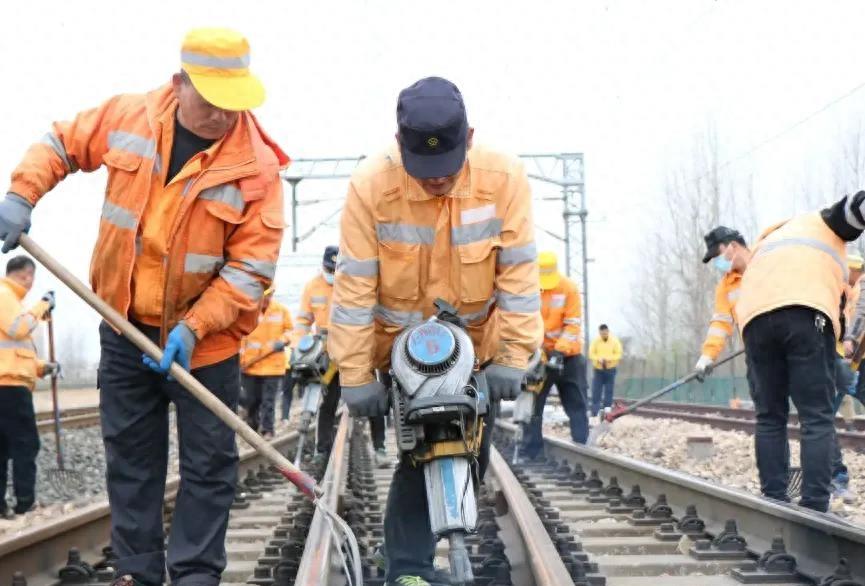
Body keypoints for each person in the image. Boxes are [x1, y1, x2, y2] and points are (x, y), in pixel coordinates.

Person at [1, 28, 287, 586]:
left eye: (234, 106)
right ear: (180, 84)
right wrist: (21, 194)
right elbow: (60, 142)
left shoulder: (257, 167)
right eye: (211, 103)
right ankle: (138, 573)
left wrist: (195, 328)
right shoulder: (129, 117)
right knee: (133, 459)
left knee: (209, 462)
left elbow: (251, 270)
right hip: (122, 325)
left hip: (206, 341)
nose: (223, 118)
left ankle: (196, 574)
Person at [328, 77, 541, 586]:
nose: (436, 182)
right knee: (417, 451)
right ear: (399, 145)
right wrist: (356, 375)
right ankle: (408, 569)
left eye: (446, 170)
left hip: (477, 349)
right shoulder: (370, 185)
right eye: (424, 173)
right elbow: (355, 288)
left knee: (470, 445)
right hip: (399, 352)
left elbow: (518, 277)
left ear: (468, 138)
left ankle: (428, 559)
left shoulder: (504, 179)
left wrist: (514, 356)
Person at [736, 193, 865, 513]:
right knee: (816, 417)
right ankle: (814, 507)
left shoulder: (766, 242)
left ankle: (773, 499)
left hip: (753, 321)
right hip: (806, 315)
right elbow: (857, 207)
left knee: (769, 417)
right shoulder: (824, 223)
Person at [291, 245, 388, 465]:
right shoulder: (312, 287)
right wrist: (300, 345)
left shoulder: (357, 284)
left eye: (336, 269)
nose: (332, 274)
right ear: (323, 266)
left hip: (357, 347)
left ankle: (380, 448)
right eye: (329, 269)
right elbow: (303, 321)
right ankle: (321, 450)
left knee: (372, 397)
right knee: (328, 402)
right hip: (327, 353)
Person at [0, 256, 59, 517]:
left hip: (8, 384)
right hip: (10, 388)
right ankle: (25, 503)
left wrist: (42, 367)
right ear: (26, 275)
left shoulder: (10, 300)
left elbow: (14, 352)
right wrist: (42, 306)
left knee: (2, 447)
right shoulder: (4, 296)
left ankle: (1, 507)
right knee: (26, 445)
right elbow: (18, 329)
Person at [523, 251, 589, 458]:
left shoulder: (568, 288)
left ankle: (581, 446)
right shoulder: (528, 289)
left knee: (575, 401)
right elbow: (524, 323)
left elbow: (573, 324)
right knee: (533, 403)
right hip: (539, 356)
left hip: (568, 357)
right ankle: (533, 452)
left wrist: (559, 351)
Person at [694, 226, 751, 380]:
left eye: (718, 255)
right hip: (757, 353)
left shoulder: (766, 263)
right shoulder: (725, 286)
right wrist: (707, 356)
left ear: (733, 246)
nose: (717, 263)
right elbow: (720, 323)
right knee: (765, 401)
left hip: (789, 344)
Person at [239, 288, 292, 439]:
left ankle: (268, 430)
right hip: (250, 366)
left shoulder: (281, 311)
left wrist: (283, 341)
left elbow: (290, 331)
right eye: (264, 297)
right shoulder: (247, 311)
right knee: (251, 400)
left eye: (269, 296)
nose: (266, 300)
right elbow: (240, 337)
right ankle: (252, 426)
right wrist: (241, 361)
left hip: (272, 366)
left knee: (268, 401)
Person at [589, 324, 623, 417]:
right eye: (602, 333)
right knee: (596, 390)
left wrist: (609, 359)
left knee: (609, 389)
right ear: (599, 333)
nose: (604, 335)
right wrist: (598, 359)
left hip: (610, 369)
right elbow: (591, 354)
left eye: (605, 333)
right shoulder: (595, 341)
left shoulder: (614, 341)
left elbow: (618, 354)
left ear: (608, 331)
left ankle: (607, 409)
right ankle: (595, 411)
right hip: (598, 369)